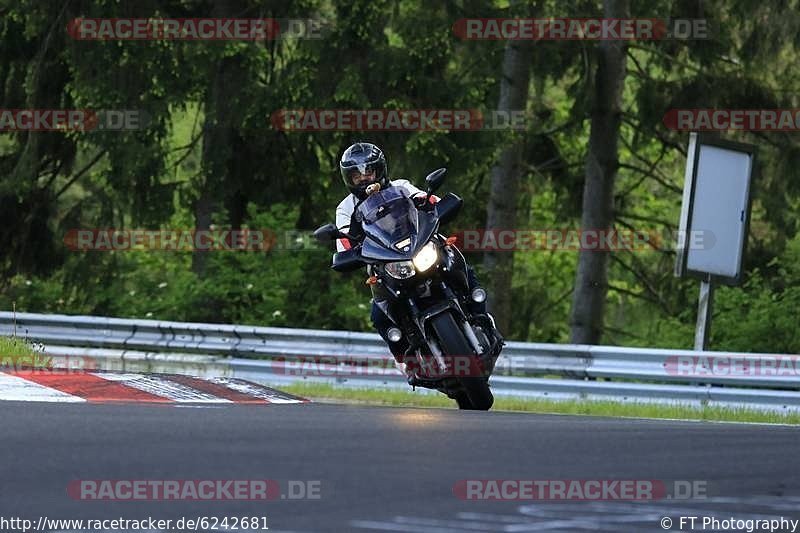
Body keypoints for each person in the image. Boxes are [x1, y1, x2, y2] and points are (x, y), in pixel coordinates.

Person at [334, 142, 495, 374]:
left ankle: (480, 313)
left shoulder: (400, 187)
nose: (364, 179)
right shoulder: (346, 208)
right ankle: (405, 359)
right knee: (379, 314)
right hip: (386, 266)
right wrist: (350, 253)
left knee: (457, 261)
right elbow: (344, 241)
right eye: (356, 175)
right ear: (348, 178)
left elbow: (425, 199)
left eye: (368, 171)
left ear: (380, 170)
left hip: (420, 247)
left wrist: (436, 205)